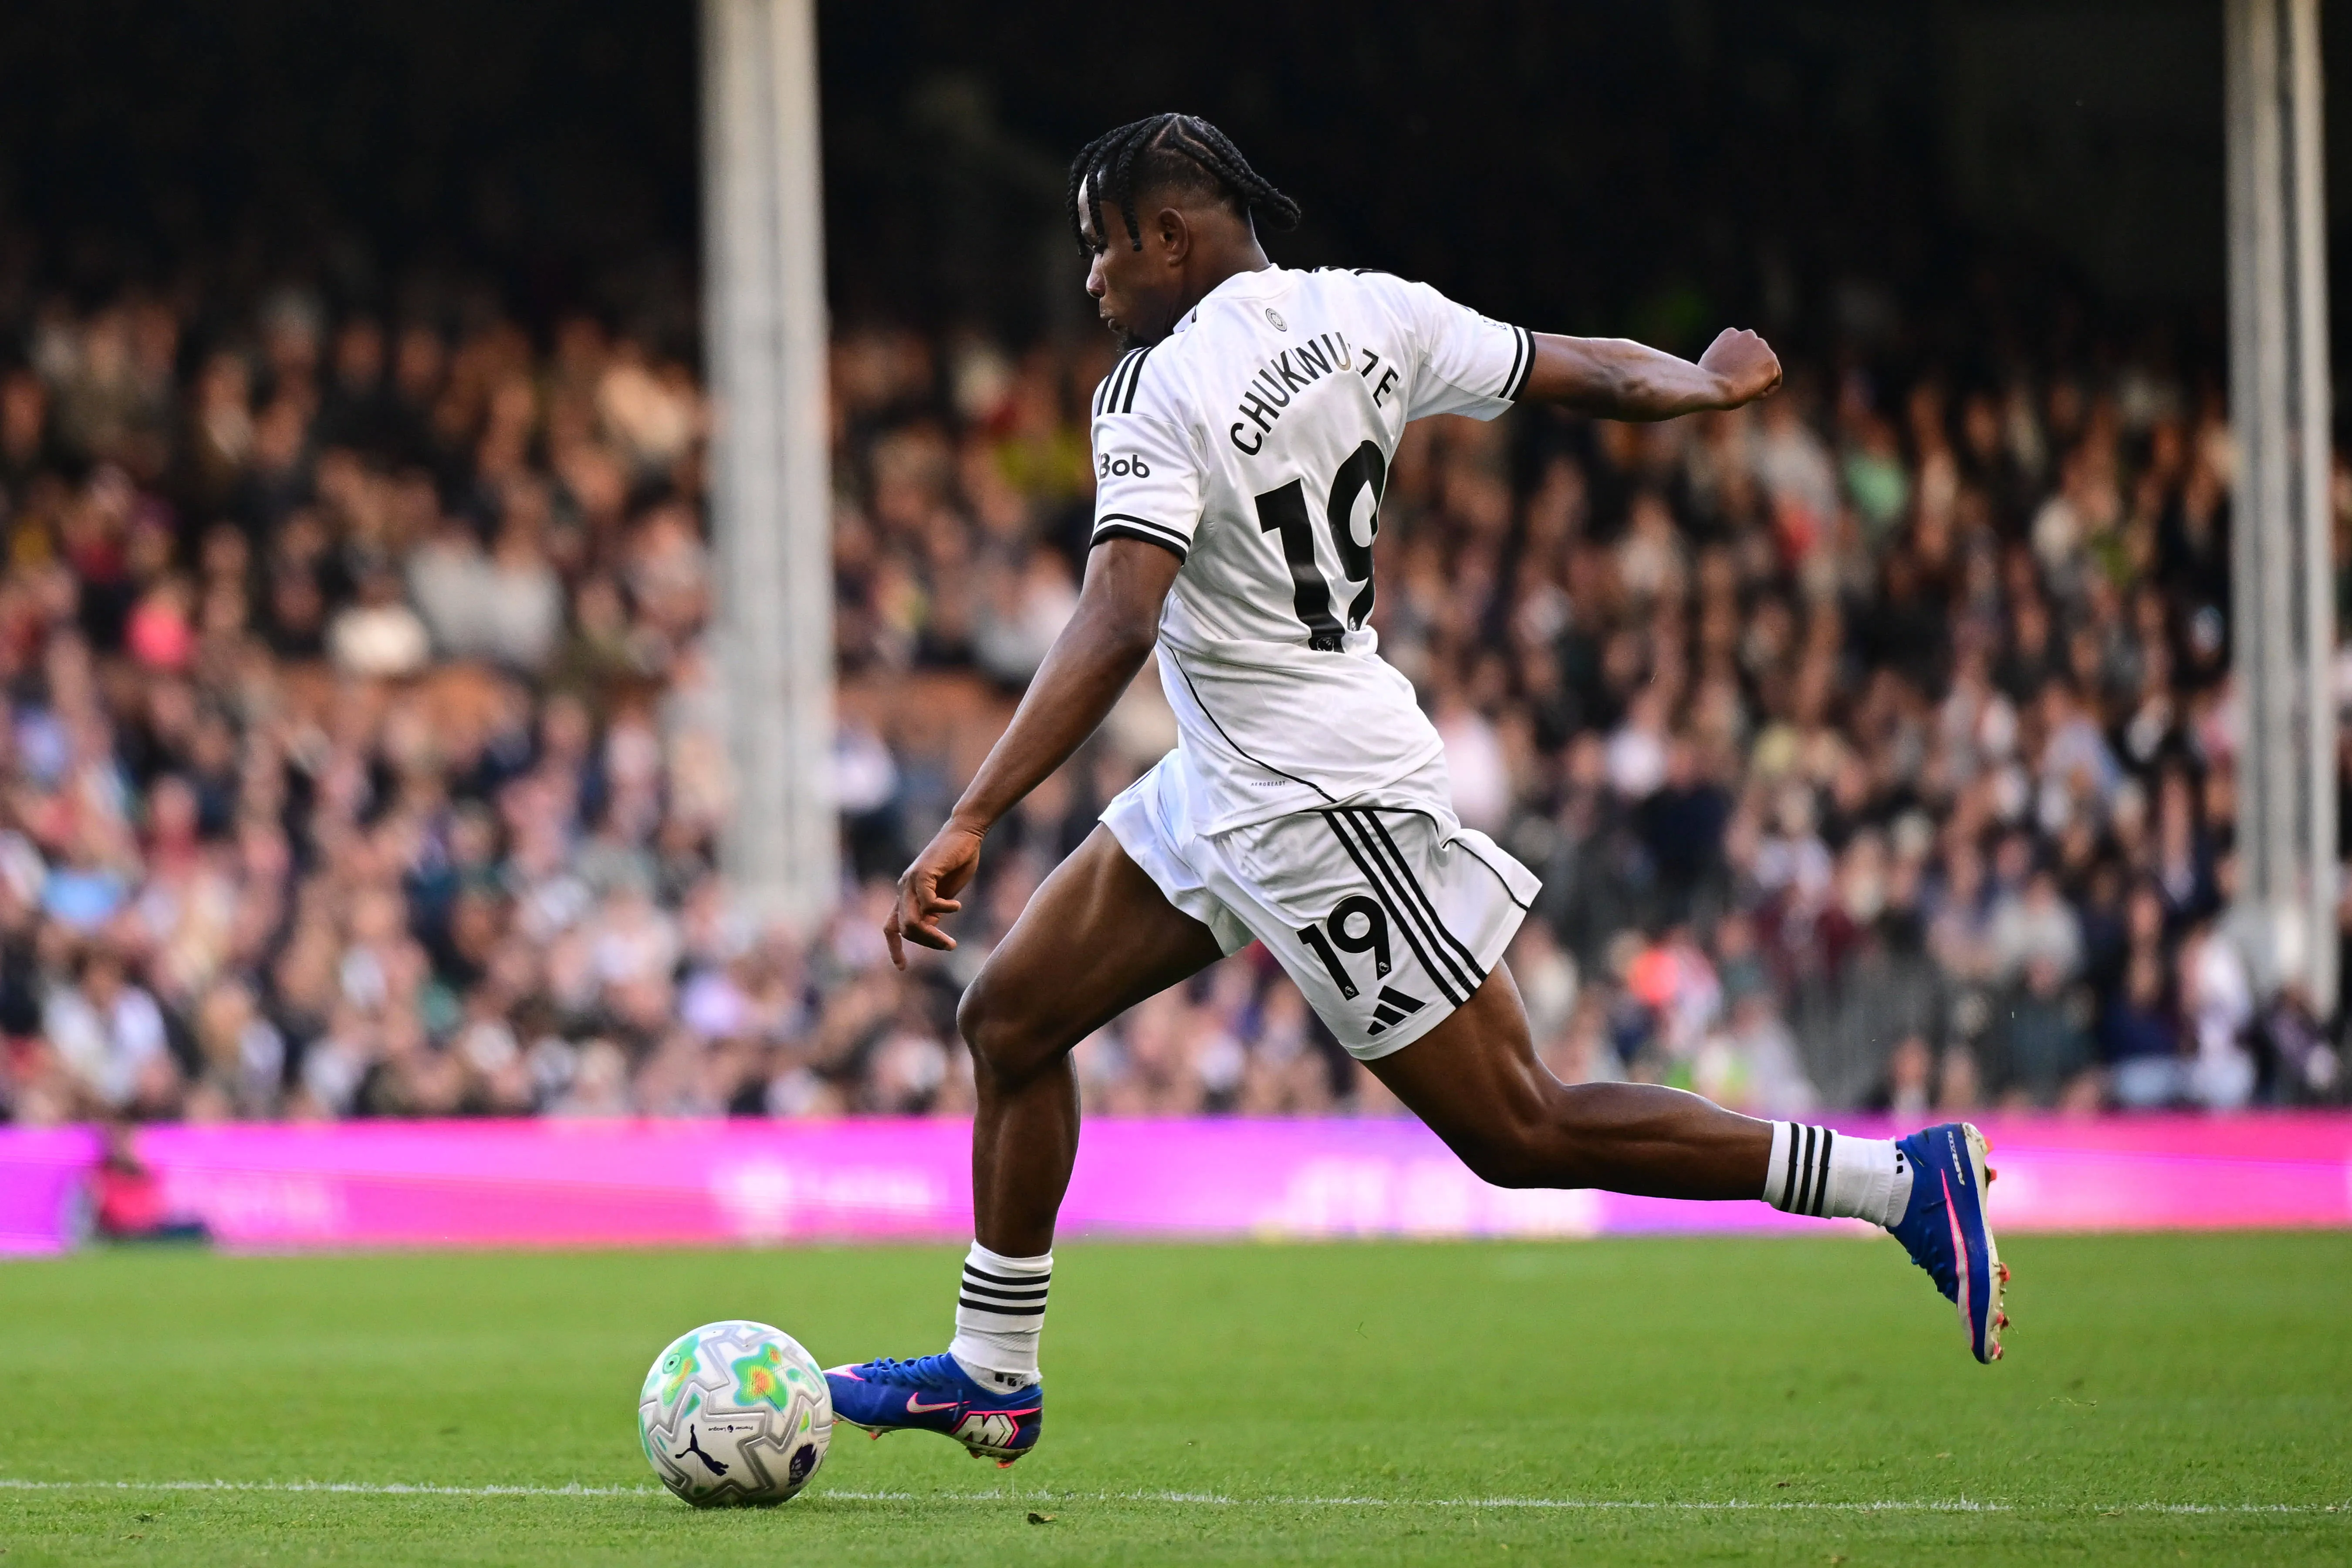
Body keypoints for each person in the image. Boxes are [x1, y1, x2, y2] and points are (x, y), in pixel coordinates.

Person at [824, 113, 2008, 1467]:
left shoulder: (1156, 389)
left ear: (1170, 237)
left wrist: (970, 814)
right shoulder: (1376, 311)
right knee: (1011, 1019)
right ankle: (993, 1372)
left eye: (1103, 248)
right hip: (1226, 779)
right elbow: (1580, 369)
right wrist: (1696, 384)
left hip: (1318, 802)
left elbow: (1116, 618)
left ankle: (1897, 1182)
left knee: (1522, 1128)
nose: (1093, 279)